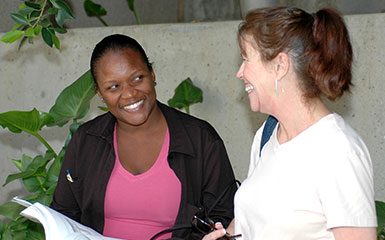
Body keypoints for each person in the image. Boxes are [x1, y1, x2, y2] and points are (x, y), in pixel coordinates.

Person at [204, 7, 377, 240]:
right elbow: (256, 222)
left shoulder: (338, 150)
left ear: (280, 65)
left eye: (246, 59)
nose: (240, 72)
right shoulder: (266, 135)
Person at [50, 34, 237, 240]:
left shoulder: (200, 140)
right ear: (99, 93)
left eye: (137, 78)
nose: (130, 94)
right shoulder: (87, 141)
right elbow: (64, 216)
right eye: (114, 86)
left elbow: (223, 217)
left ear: (152, 74)